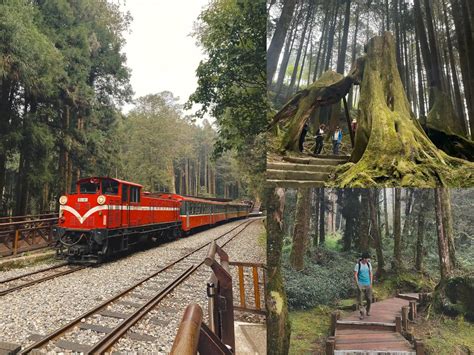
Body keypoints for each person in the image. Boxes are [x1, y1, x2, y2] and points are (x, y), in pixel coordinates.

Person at [354, 252, 373, 320]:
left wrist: (371, 282)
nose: (368, 260)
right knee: (360, 300)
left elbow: (371, 273)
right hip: (361, 284)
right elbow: (355, 274)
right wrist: (357, 283)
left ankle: (368, 311)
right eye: (367, 258)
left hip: (368, 284)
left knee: (369, 299)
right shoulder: (358, 265)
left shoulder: (369, 264)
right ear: (364, 258)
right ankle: (362, 313)